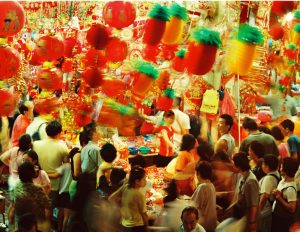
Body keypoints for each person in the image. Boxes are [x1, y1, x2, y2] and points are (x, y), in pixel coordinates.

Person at [33, 120, 69, 211]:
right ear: (58, 133)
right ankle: (47, 224)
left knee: (36, 207)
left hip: (36, 182)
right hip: (52, 184)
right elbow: (65, 166)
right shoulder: (62, 147)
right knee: (48, 209)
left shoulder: (36, 144)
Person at [11, 162, 52, 231]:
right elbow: (48, 204)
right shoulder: (36, 189)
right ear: (32, 174)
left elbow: (13, 204)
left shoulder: (17, 186)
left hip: (20, 223)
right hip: (34, 224)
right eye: (34, 168)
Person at [109, 165, 148, 232]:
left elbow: (111, 198)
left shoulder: (125, 187)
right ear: (137, 181)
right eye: (144, 179)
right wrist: (147, 227)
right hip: (136, 227)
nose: (146, 181)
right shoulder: (139, 194)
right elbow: (144, 214)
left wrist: (121, 208)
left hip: (124, 225)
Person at [232, 152, 259, 232]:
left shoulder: (251, 181)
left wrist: (252, 222)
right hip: (243, 217)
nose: (232, 166)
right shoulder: (242, 176)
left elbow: (253, 205)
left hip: (249, 219)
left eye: (233, 164)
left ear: (239, 166)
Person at [271, 157, 298, 232]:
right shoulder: (283, 180)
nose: (280, 168)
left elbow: (292, 208)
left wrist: (279, 198)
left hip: (283, 220)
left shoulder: (290, 188)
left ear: (286, 169)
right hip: (277, 216)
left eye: (282, 166)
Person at [191, 161, 217, 232]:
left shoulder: (203, 187)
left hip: (203, 224)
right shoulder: (211, 185)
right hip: (211, 222)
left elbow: (193, 205)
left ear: (199, 173)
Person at [258, 154, 281, 232]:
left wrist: (258, 211)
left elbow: (264, 196)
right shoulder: (277, 174)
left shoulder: (268, 178)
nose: (262, 166)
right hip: (269, 209)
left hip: (264, 211)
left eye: (263, 164)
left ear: (267, 166)